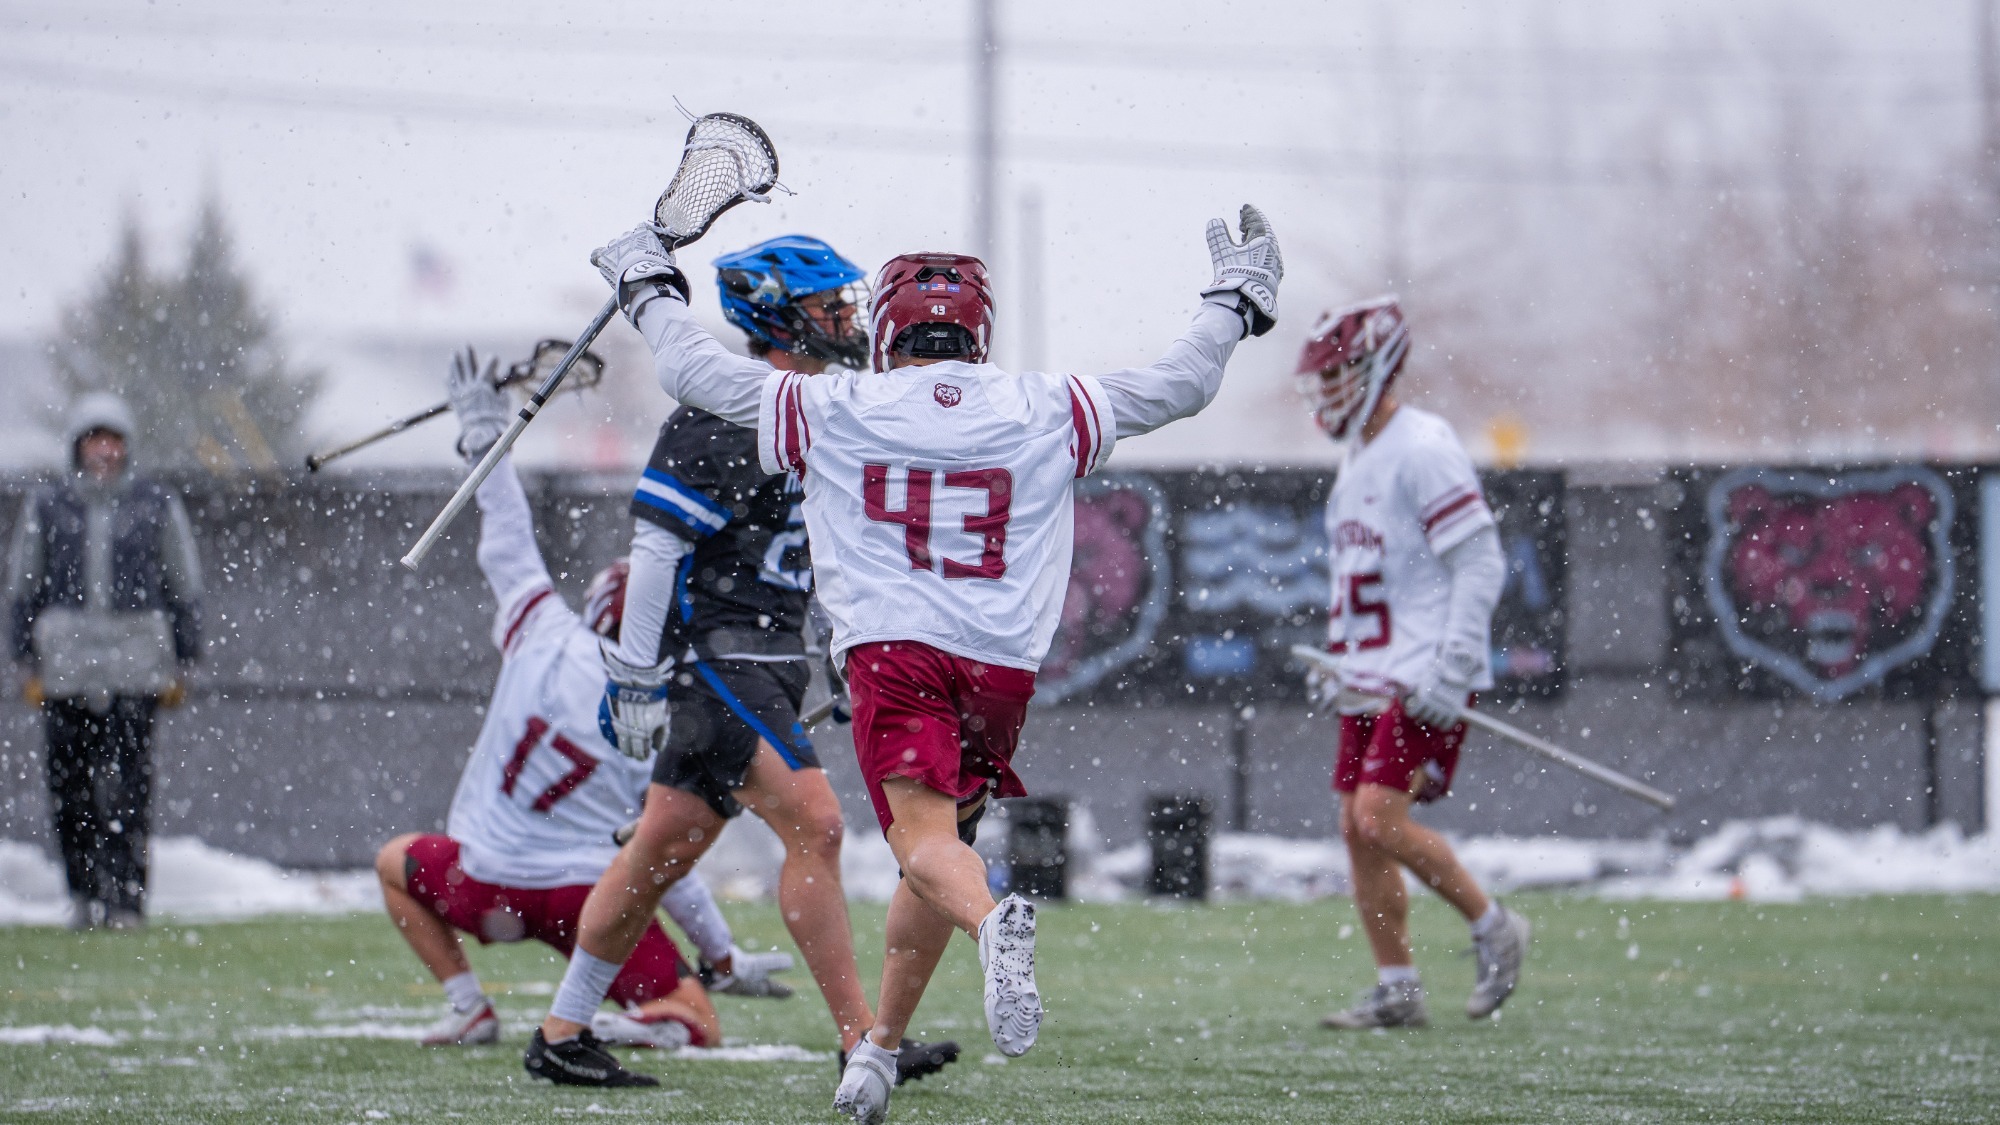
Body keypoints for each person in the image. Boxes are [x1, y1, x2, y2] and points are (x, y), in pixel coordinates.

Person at [579, 203, 1282, 1122]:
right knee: (939, 854)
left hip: (896, 655)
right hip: (999, 667)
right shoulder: (1045, 404)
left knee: (923, 847)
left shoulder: (836, 402)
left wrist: (646, 286)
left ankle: (995, 923)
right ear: (977, 330)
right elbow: (1183, 383)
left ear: (890, 327)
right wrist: (1235, 298)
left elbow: (694, 369)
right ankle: (877, 1051)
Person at [531, 237, 958, 1089]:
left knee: (661, 848)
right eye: (827, 305)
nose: (848, 317)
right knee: (817, 823)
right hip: (714, 658)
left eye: (847, 301)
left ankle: (561, 1031)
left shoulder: (819, 408)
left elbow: (830, 547)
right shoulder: (725, 410)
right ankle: (862, 1039)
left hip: (768, 659)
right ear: (773, 312)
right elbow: (655, 549)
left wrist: (844, 644)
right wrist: (634, 675)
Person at [379, 350, 792, 1057]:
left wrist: (483, 432)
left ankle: (467, 1005)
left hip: (483, 879)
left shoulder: (539, 629)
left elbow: (505, 532)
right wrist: (719, 957)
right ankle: (616, 1019)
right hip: (581, 898)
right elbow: (662, 861)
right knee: (694, 1017)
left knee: (396, 861)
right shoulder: (666, 705)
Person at [1293, 297, 1531, 1030]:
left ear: (1378, 366)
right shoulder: (1358, 455)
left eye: (1340, 374)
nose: (1328, 390)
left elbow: (1479, 558)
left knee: (1379, 815)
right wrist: (1344, 656)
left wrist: (1454, 664)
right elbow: (1373, 577)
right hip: (1373, 669)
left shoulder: (1423, 444)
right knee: (1355, 827)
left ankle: (1496, 926)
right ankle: (1398, 986)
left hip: (1424, 668)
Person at [6, 393, 202, 930]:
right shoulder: (49, 506)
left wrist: (186, 655)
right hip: (66, 670)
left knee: (130, 788)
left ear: (126, 447)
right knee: (70, 789)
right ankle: (84, 895)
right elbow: (23, 584)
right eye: (95, 440)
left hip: (136, 668)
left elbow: (183, 583)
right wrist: (23, 654)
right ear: (79, 447)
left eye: (113, 441)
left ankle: (127, 899)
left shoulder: (155, 505)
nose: (104, 451)